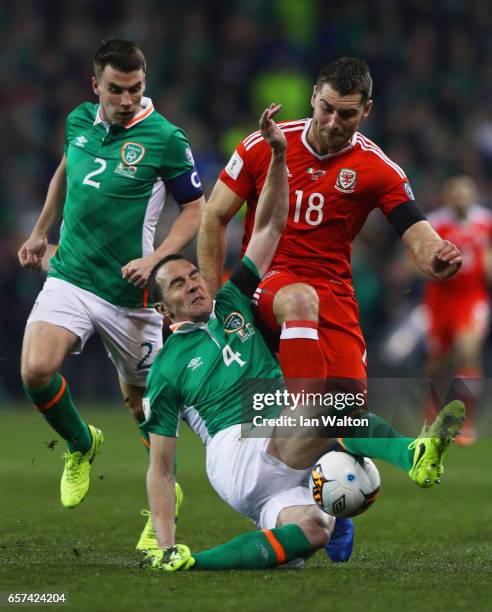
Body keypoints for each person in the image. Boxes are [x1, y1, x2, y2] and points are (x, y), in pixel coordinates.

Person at [139, 105, 464, 573]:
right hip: (237, 450)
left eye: (193, 275)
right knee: (320, 403)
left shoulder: (231, 302)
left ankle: (195, 563)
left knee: (313, 530)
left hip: (275, 453)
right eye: (178, 285)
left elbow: (269, 226)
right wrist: (163, 536)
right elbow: (162, 467)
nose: (193, 283)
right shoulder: (167, 366)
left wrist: (277, 158)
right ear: (162, 310)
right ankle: (410, 452)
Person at [197, 56, 462, 471]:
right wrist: (216, 302)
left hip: (333, 291)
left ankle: (410, 456)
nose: (334, 122)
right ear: (313, 98)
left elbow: (415, 227)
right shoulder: (263, 145)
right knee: (300, 303)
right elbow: (214, 216)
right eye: (327, 109)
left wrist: (436, 255)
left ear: (366, 111)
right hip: (267, 280)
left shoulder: (376, 167)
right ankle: (301, 416)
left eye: (347, 114)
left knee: (343, 408)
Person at [17, 40, 205, 521]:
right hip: (72, 276)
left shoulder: (165, 137)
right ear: (95, 85)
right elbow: (66, 169)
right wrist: (40, 232)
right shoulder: (78, 120)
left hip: (131, 294)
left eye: (136, 88)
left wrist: (158, 259)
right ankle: (81, 444)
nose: (127, 99)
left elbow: (194, 209)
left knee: (144, 407)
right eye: (116, 90)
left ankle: (167, 500)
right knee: (36, 370)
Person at [422, 176, 492, 445]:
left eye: (466, 193)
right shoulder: (435, 223)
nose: (462, 198)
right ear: (448, 196)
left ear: (473, 194)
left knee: (468, 352)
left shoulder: (485, 221)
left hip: (472, 298)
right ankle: (431, 409)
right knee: (437, 363)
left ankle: (465, 420)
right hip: (439, 299)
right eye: (456, 193)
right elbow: (420, 257)